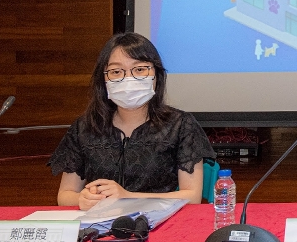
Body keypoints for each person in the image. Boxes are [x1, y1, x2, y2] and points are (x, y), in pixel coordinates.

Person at [51, 33, 215, 210]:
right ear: (103, 79)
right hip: (101, 222)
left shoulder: (181, 125)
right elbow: (65, 195)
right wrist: (82, 199)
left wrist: (129, 197)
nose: (128, 79)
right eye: (116, 72)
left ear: (156, 74)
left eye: (139, 69)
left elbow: (191, 196)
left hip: (159, 221)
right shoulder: (84, 127)